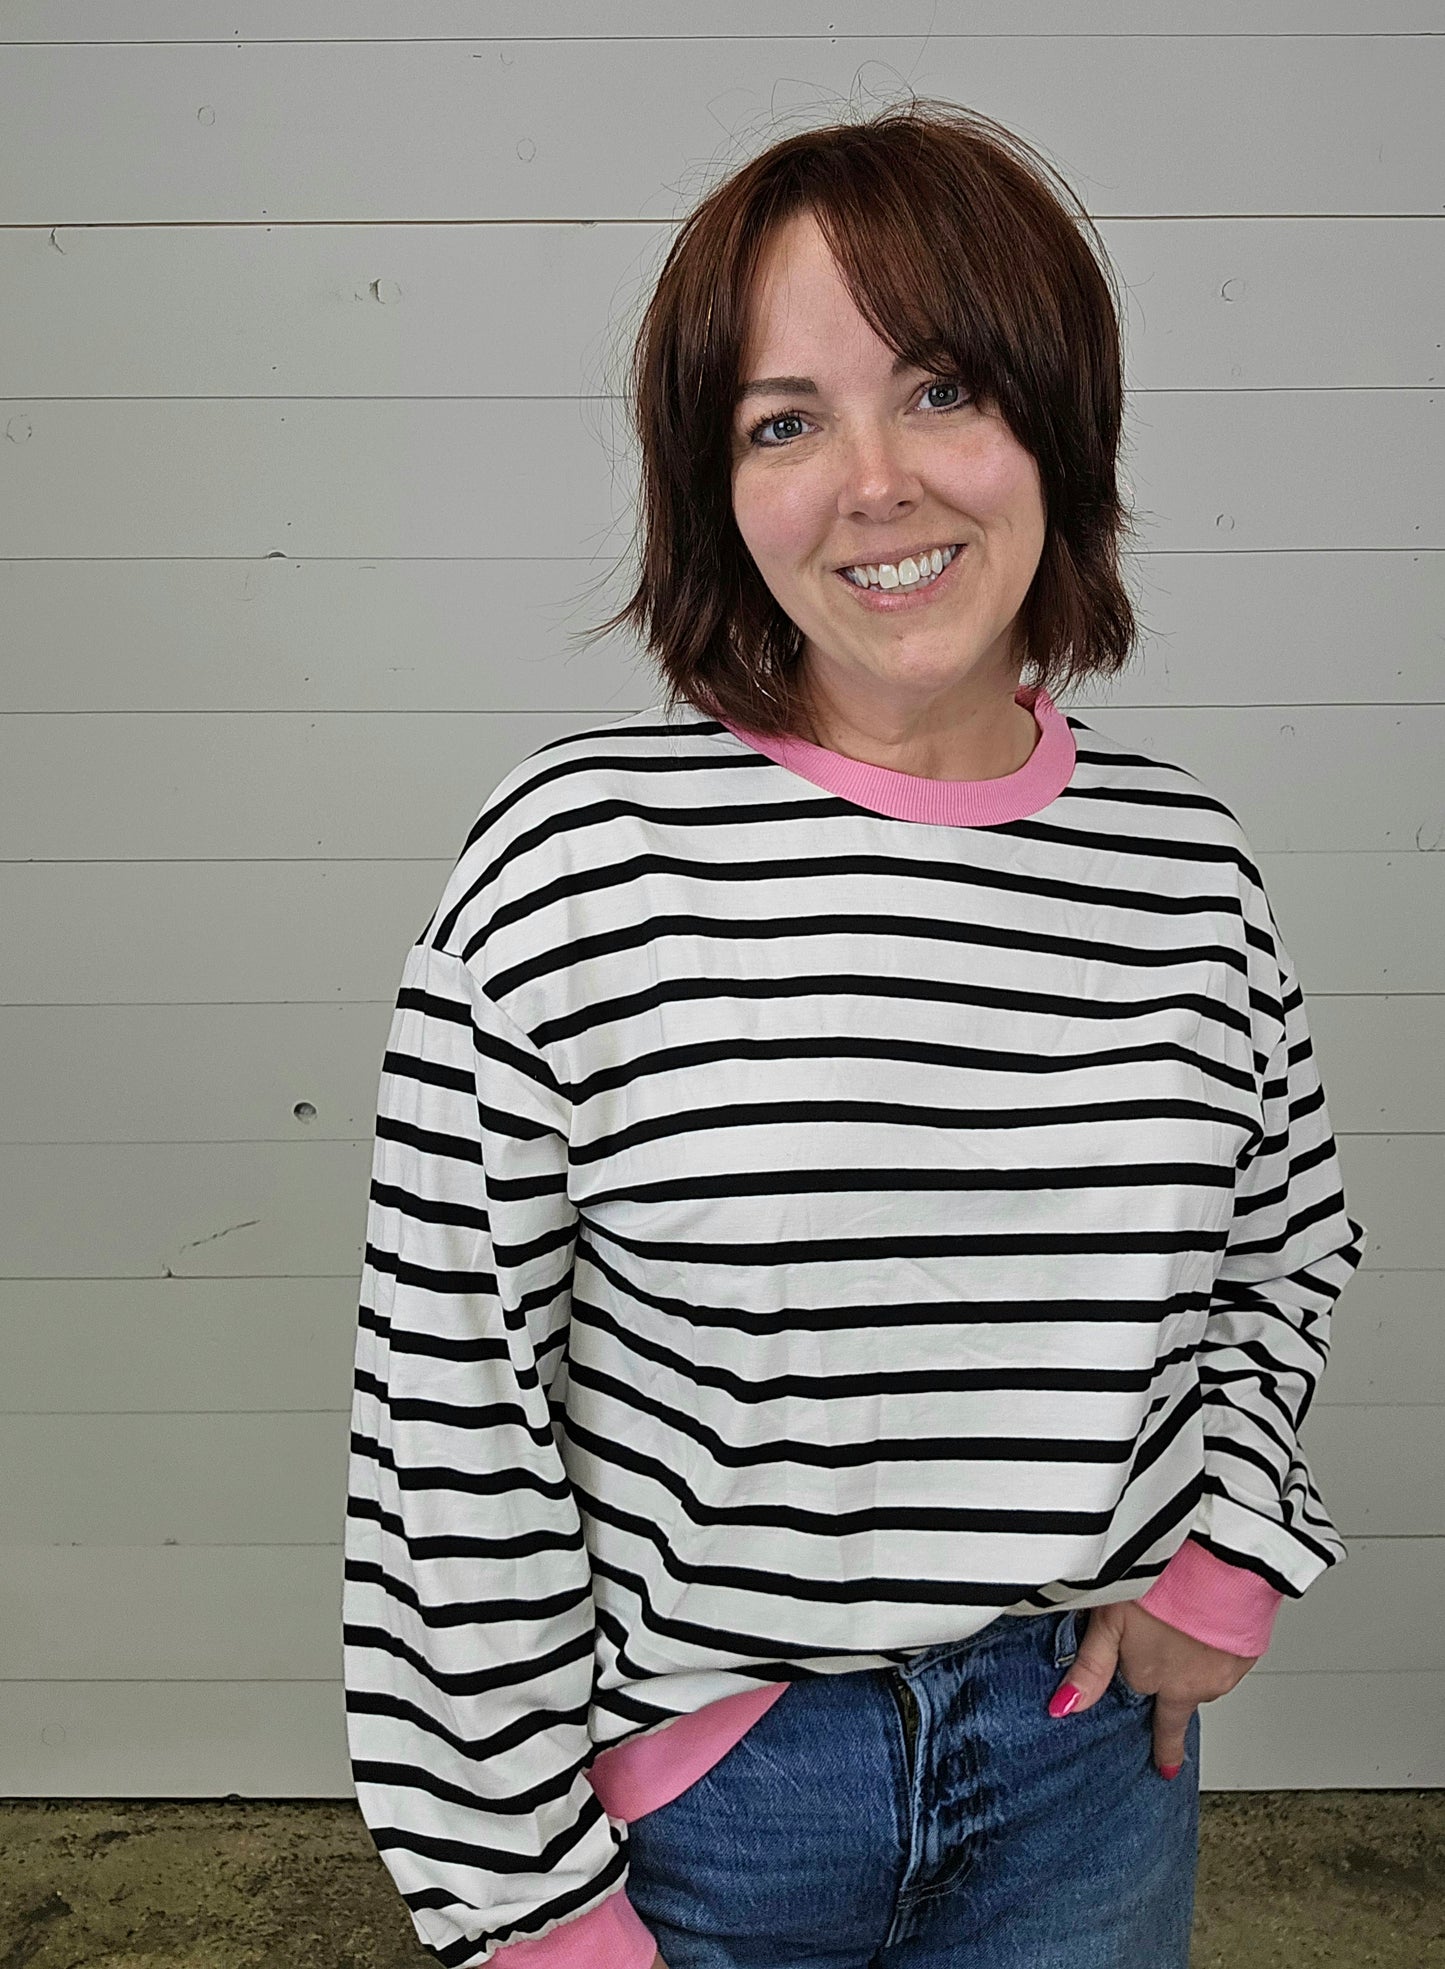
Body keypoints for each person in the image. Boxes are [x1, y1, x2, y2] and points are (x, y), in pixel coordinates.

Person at [342, 99, 1367, 1969]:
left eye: (941, 389)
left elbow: (1278, 1247)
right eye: (783, 421)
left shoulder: (1182, 863)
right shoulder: (574, 862)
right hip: (707, 1796)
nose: (873, 481)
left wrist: (1229, 1542)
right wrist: (518, 1897)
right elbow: (448, 1420)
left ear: (1056, 421)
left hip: (1083, 1759)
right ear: (715, 488)